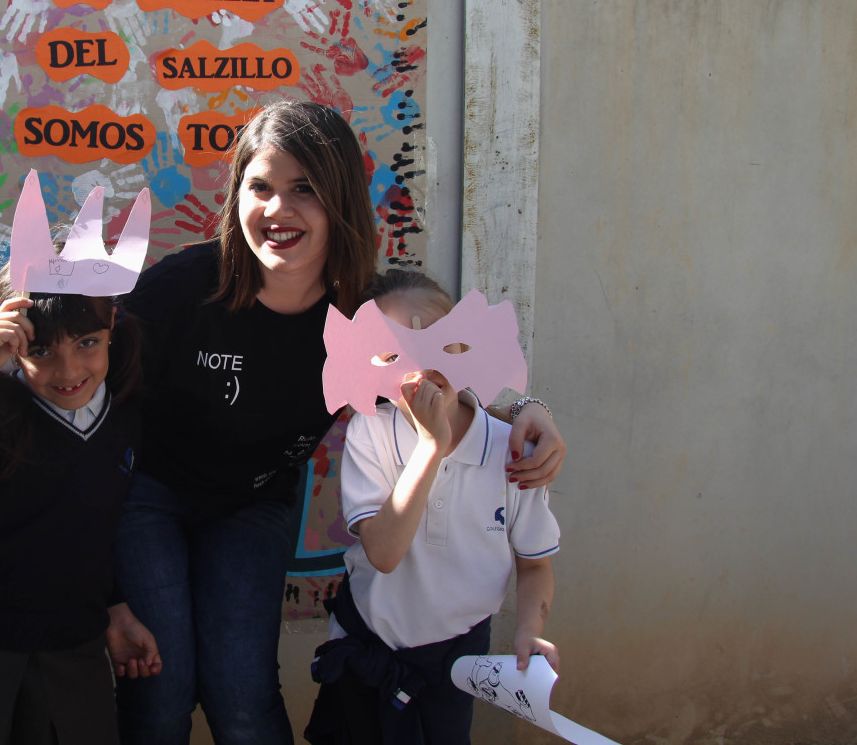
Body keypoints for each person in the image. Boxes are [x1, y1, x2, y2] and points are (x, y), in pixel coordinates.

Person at [110, 100, 566, 745]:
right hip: (147, 496)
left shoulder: (366, 311)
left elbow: (440, 382)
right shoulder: (186, 286)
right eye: (260, 187)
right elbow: (74, 367)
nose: (278, 209)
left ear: (342, 202)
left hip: (253, 503)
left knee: (243, 702)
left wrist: (523, 411)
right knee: (160, 694)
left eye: (306, 190)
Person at [0, 269, 162, 745]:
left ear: (112, 328)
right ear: (9, 344)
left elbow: (89, 529)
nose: (68, 371)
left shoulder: (123, 414)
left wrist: (115, 608)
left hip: (73, 645)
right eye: (41, 350)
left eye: (87, 342)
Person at [305, 269, 559, 745]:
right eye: (392, 354)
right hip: (367, 648)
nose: (419, 370)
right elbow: (384, 553)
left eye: (441, 345)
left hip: (454, 662)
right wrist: (430, 447)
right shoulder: (370, 433)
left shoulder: (513, 451)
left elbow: (535, 565)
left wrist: (530, 630)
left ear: (466, 347)